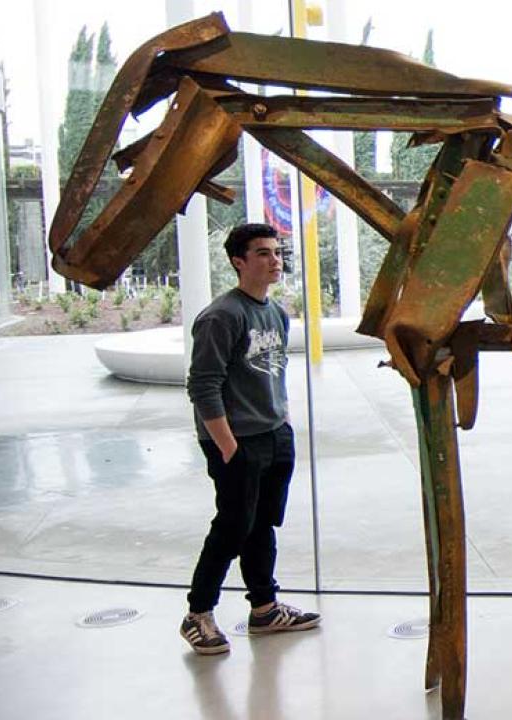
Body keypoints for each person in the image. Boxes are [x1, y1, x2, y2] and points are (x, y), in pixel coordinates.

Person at [180, 223, 319, 655]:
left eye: (276, 253)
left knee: (263, 524)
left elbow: (273, 372)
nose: (274, 261)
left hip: (275, 435)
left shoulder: (275, 313)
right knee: (231, 527)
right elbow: (202, 385)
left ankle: (264, 608)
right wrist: (227, 446)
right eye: (262, 253)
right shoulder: (222, 316)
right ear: (238, 261)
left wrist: (284, 423)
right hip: (238, 440)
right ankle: (197, 614)